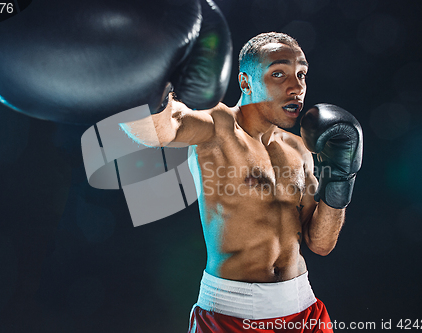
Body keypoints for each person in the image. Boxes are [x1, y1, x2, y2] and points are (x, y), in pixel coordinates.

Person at [121, 32, 362, 333]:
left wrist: (341, 178)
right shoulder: (217, 127)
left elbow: (321, 243)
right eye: (279, 73)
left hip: (304, 310)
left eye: (301, 74)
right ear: (246, 82)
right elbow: (158, 129)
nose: (296, 86)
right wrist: (138, 80)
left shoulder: (300, 148)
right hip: (231, 315)